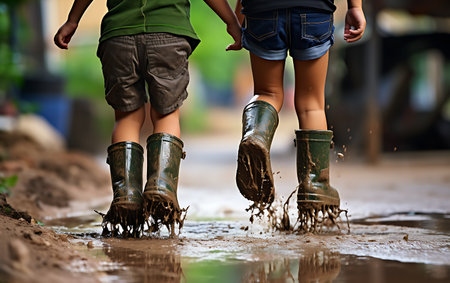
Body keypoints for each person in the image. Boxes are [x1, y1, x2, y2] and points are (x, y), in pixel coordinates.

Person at [54, 0, 241, 236]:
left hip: (119, 36)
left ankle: (126, 194)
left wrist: (73, 20)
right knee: (166, 113)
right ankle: (161, 186)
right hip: (168, 33)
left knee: (126, 117)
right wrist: (231, 22)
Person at [234, 0, 365, 227]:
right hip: (314, 9)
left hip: (262, 11)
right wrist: (356, 7)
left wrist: (238, 16)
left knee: (267, 92)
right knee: (311, 103)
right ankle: (315, 186)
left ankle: (255, 136)